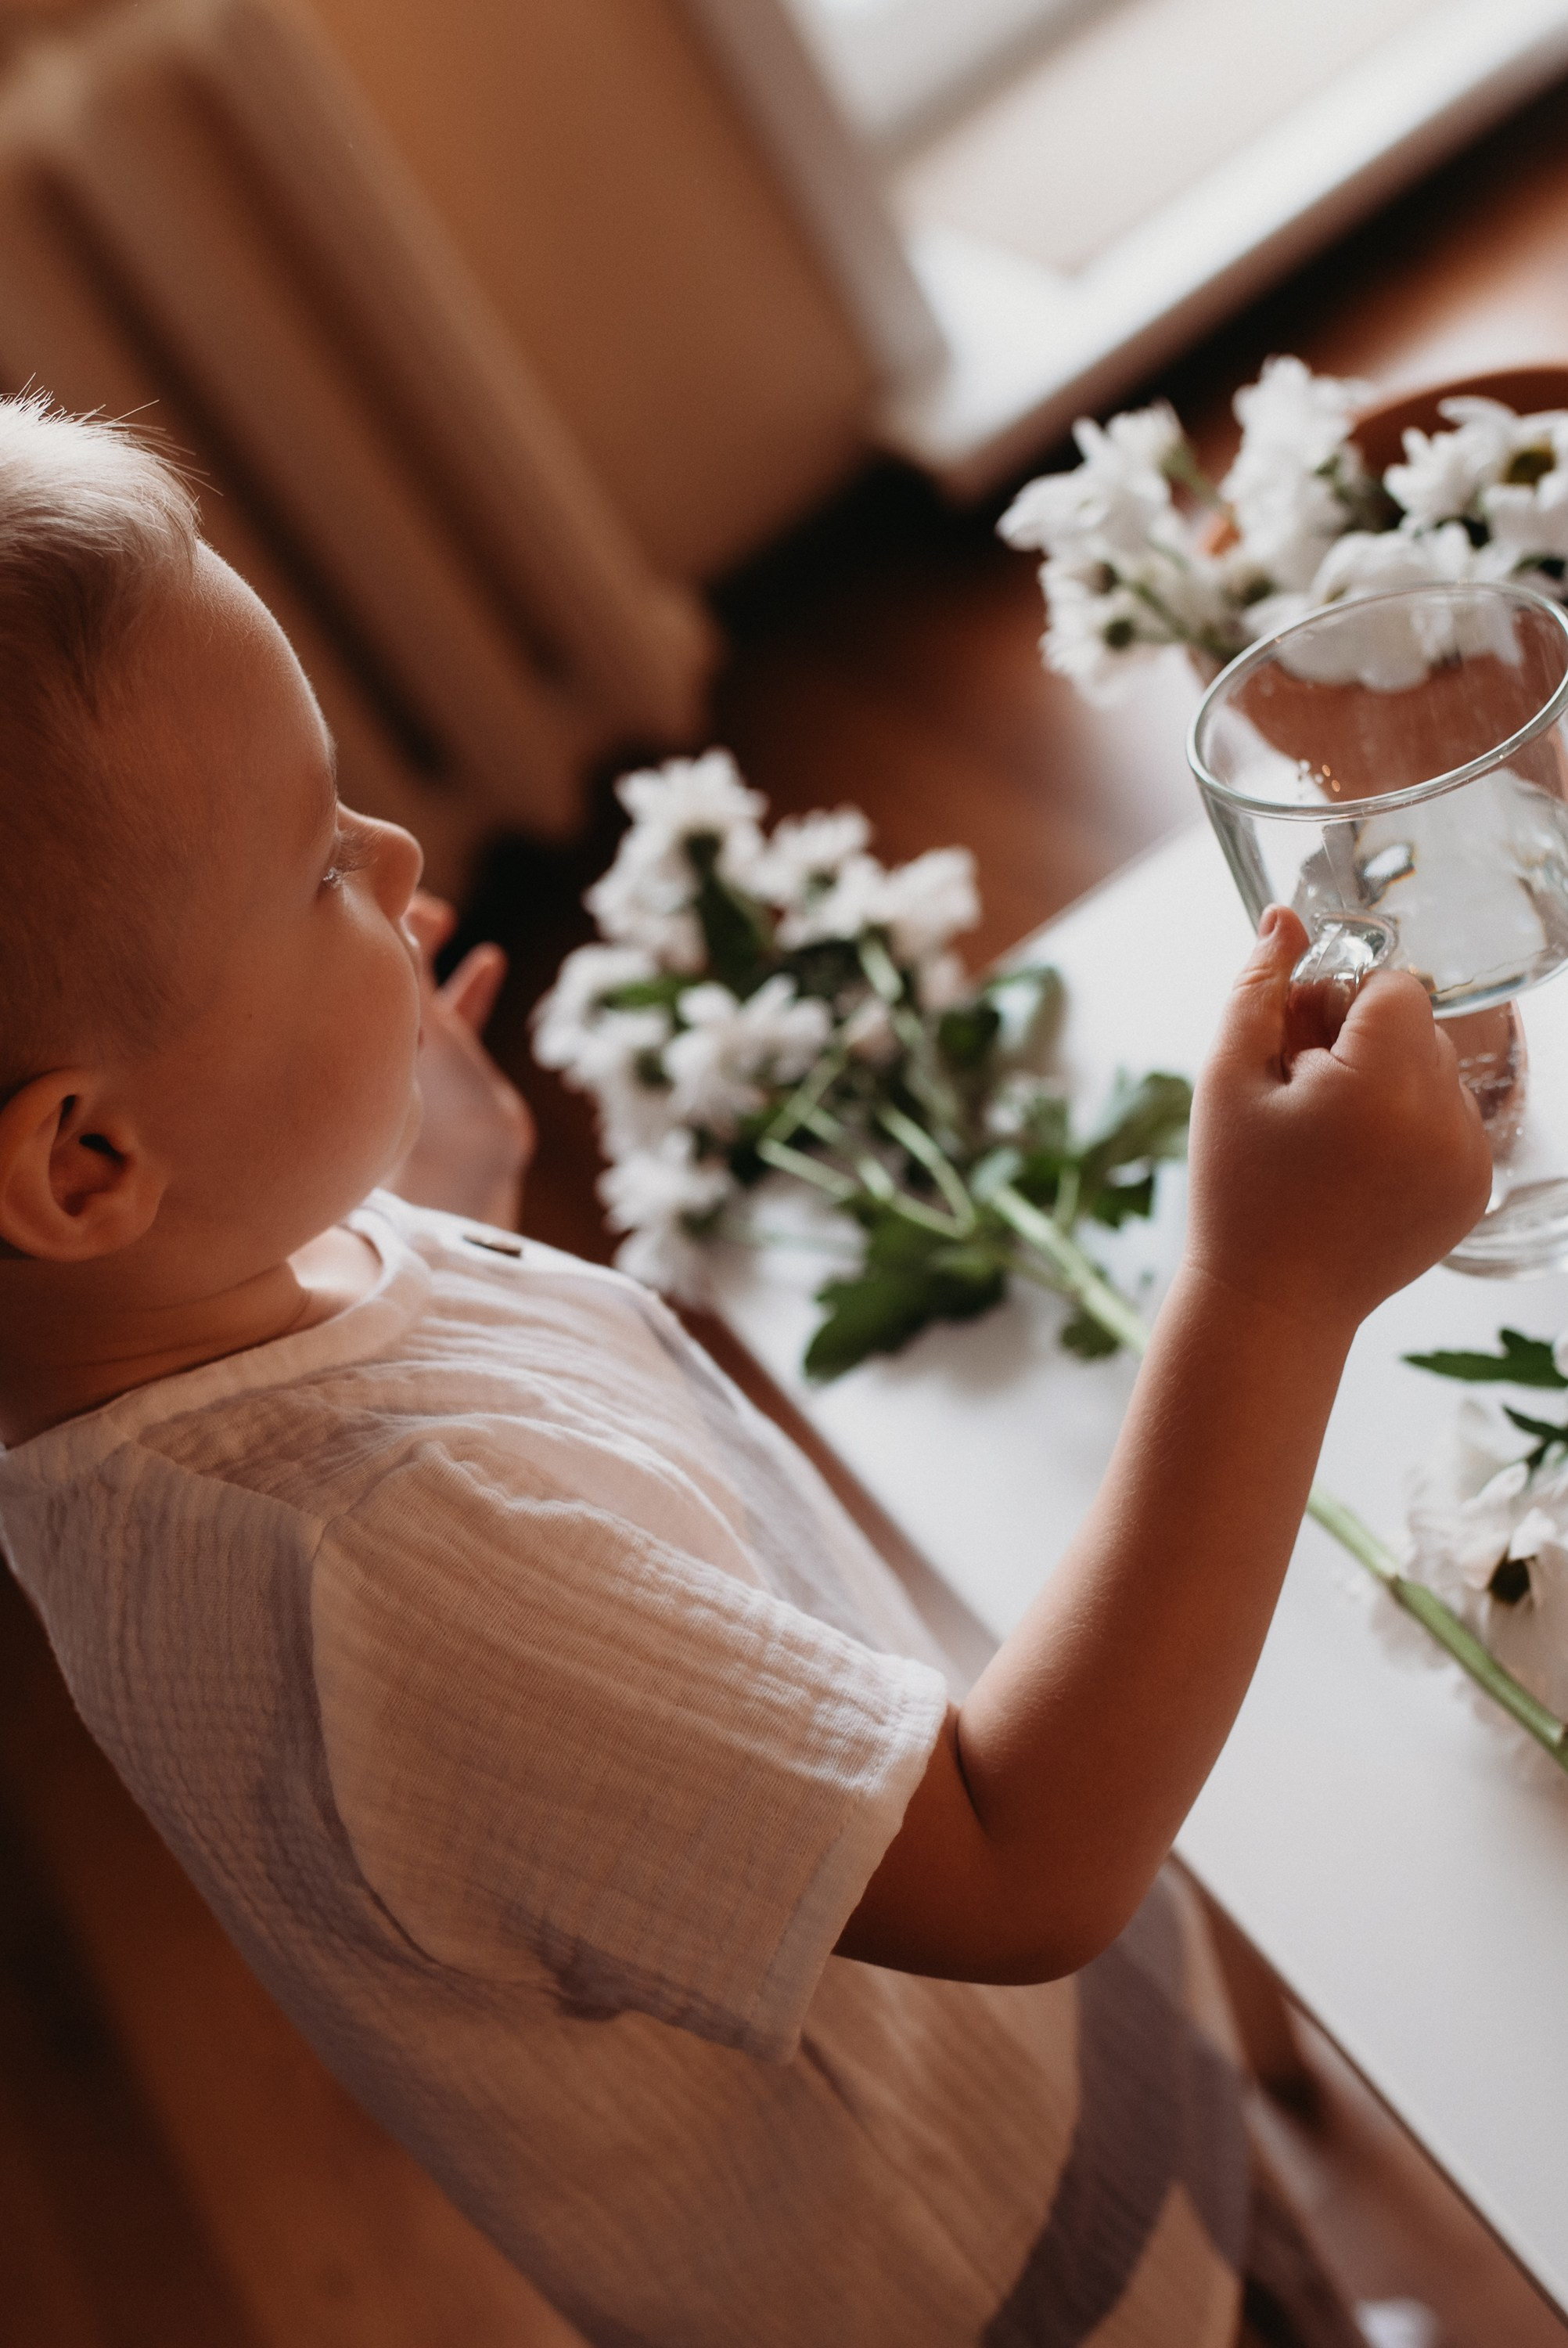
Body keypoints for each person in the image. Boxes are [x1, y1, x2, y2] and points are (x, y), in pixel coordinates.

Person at [0, 398, 1490, 2348]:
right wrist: (1271, 1284)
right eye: (314, 869)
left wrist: (451, 1202)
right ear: (85, 1164)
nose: (399, 846)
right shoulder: (385, 1569)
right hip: (1030, 2279)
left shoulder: (180, 1333)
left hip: (1073, 2139)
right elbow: (1018, 1859)